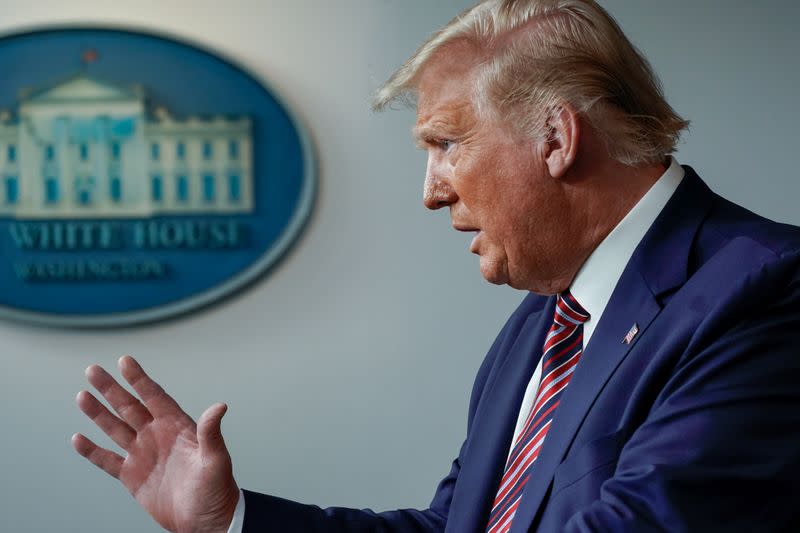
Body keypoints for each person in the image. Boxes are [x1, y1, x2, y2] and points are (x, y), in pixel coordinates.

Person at [73, 0, 800, 531]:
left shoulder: (765, 291)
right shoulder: (542, 324)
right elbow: (454, 526)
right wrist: (232, 518)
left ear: (557, 138)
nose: (430, 191)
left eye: (446, 144)